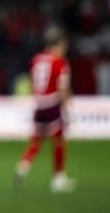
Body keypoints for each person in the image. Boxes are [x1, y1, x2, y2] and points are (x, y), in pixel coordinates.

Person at [14, 25, 77, 193]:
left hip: (39, 104)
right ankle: (58, 178)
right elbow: (62, 88)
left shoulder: (37, 59)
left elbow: (34, 81)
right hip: (52, 104)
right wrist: (67, 108)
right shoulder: (60, 62)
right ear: (59, 44)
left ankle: (22, 167)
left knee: (37, 139)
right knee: (59, 140)